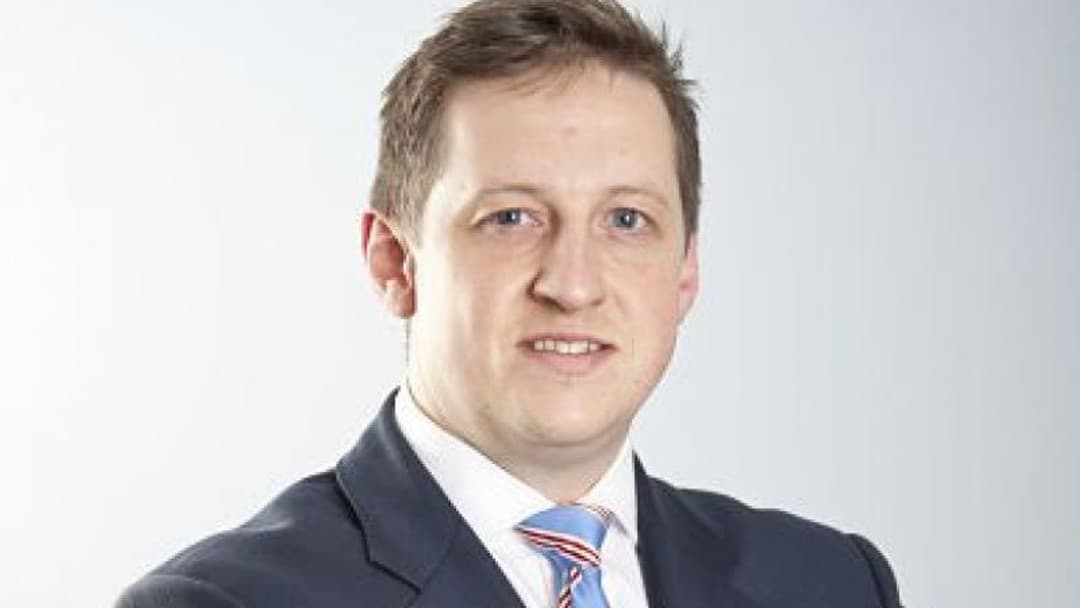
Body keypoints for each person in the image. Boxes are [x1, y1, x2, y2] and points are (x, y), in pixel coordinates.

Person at [118, 0, 902, 606]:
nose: (573, 284)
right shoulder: (227, 601)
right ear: (394, 261)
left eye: (627, 220)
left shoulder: (831, 582)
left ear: (685, 270)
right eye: (511, 219)